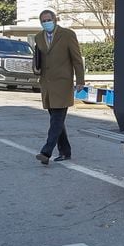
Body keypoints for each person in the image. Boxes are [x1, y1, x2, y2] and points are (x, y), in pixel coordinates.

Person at [32, 9, 85, 165]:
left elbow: (76, 59)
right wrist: (35, 69)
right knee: (57, 121)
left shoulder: (67, 34)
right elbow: (38, 59)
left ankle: (46, 152)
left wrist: (80, 80)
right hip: (47, 85)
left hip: (62, 83)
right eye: (43, 21)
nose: (46, 23)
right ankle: (65, 151)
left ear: (55, 20)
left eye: (49, 20)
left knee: (56, 119)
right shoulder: (38, 37)